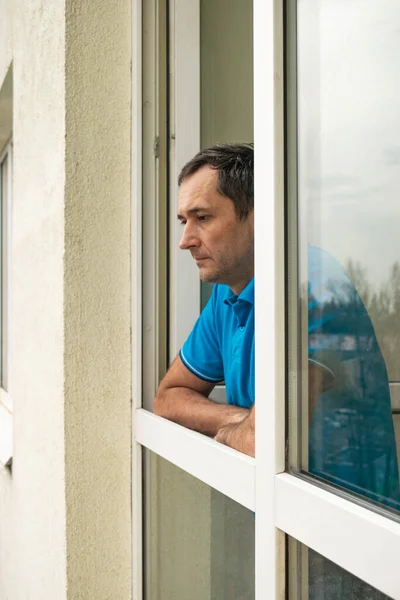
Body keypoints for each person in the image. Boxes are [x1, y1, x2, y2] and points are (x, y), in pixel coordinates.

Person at [154, 143, 400, 508]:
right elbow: (168, 398)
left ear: (256, 216)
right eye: (183, 221)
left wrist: (235, 433)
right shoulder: (227, 294)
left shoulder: (311, 282)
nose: (185, 240)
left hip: (340, 525)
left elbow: (263, 439)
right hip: (272, 515)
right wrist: (240, 420)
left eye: (202, 218)